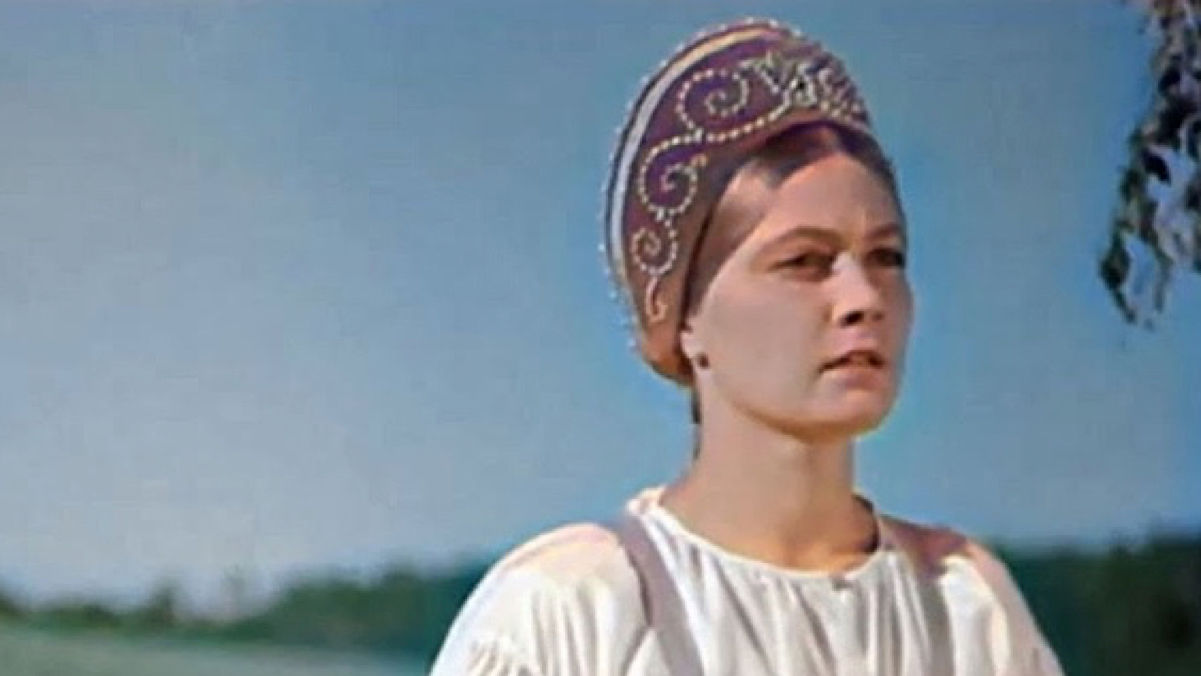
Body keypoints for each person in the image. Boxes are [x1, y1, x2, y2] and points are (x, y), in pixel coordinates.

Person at [428, 18, 1064, 676]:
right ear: (688, 317)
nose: (862, 298)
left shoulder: (964, 607)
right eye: (804, 261)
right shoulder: (575, 610)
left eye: (886, 257)